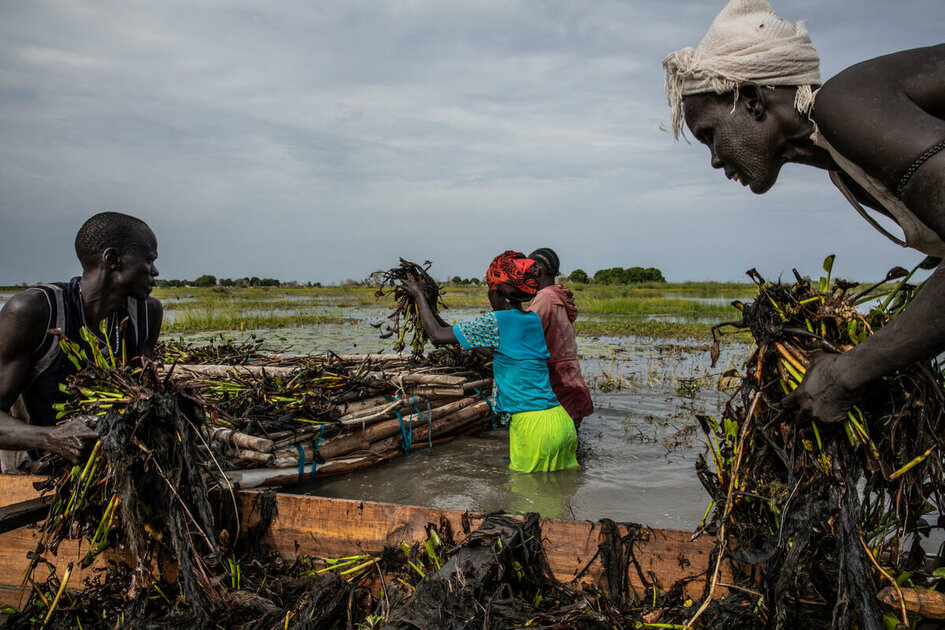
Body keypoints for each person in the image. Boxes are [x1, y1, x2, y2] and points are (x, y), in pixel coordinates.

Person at [662, 0, 945, 425]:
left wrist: (848, 372)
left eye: (710, 135)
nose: (715, 160)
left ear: (754, 101)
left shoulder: (844, 107)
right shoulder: (848, 173)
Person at [0, 212, 163, 473]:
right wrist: (53, 438)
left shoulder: (147, 314)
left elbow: (143, 395)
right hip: (32, 467)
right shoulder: (33, 311)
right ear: (112, 260)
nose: (155, 271)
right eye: (149, 260)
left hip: (105, 467)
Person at [401, 251, 578, 473]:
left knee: (527, 500)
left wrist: (418, 295)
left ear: (497, 291)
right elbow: (501, 355)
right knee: (560, 500)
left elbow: (436, 335)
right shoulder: (532, 320)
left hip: (533, 428)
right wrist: (465, 339)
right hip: (561, 421)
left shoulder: (497, 321)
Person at [526, 248, 593, 430]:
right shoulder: (557, 295)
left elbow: (522, 333)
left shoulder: (544, 298)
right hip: (573, 386)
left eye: (528, 268)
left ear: (537, 269)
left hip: (560, 390)